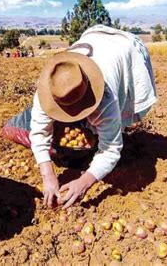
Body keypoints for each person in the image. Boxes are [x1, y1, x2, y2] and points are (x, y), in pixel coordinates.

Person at [29, 24, 157, 209]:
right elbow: (39, 133)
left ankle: (107, 129)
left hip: (121, 47)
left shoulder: (106, 97)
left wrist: (84, 182)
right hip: (95, 38)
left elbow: (111, 148)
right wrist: (47, 175)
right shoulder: (50, 90)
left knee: (111, 128)